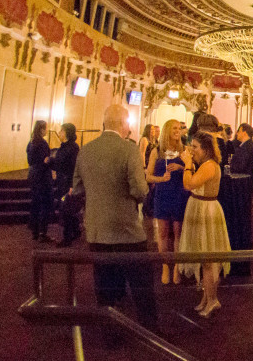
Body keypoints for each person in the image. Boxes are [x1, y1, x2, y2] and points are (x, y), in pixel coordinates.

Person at [71, 104, 156, 331]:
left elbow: (77, 188)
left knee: (105, 284)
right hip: (126, 229)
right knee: (141, 283)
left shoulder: (85, 150)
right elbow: (140, 190)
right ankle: (149, 329)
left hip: (97, 230)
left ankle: (109, 332)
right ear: (123, 124)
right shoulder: (129, 149)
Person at [178, 131, 230, 317]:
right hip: (199, 207)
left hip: (206, 211)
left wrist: (187, 164)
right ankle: (206, 298)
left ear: (206, 149)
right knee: (204, 259)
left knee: (209, 260)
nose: (192, 150)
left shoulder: (209, 166)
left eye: (195, 147)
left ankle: (213, 299)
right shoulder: (205, 165)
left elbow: (188, 184)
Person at [146, 118, 190, 285]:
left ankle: (177, 266)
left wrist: (181, 167)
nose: (178, 131)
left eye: (179, 128)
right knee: (163, 233)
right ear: (167, 131)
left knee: (178, 232)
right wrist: (161, 179)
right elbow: (148, 176)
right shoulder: (156, 152)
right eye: (174, 129)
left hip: (179, 194)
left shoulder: (184, 150)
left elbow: (192, 170)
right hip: (162, 194)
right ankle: (165, 266)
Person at [226, 123, 253, 275]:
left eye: (238, 131)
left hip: (243, 187)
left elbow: (240, 166)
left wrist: (231, 166)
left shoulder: (248, 147)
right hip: (246, 185)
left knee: (244, 216)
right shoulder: (247, 146)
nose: (237, 134)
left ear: (244, 132)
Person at [51, 122, 80, 246]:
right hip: (61, 182)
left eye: (61, 130)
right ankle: (76, 230)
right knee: (66, 208)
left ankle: (67, 238)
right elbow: (59, 164)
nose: (59, 133)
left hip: (67, 184)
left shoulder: (73, 148)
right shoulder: (63, 147)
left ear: (67, 132)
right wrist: (51, 162)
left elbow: (74, 168)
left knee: (66, 209)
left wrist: (72, 186)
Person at [27, 120, 52, 242]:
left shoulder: (31, 142)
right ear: (41, 129)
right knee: (44, 204)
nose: (47, 130)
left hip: (33, 175)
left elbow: (30, 160)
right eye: (45, 128)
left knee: (35, 203)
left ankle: (35, 231)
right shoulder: (42, 143)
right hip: (42, 177)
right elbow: (45, 161)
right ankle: (42, 232)